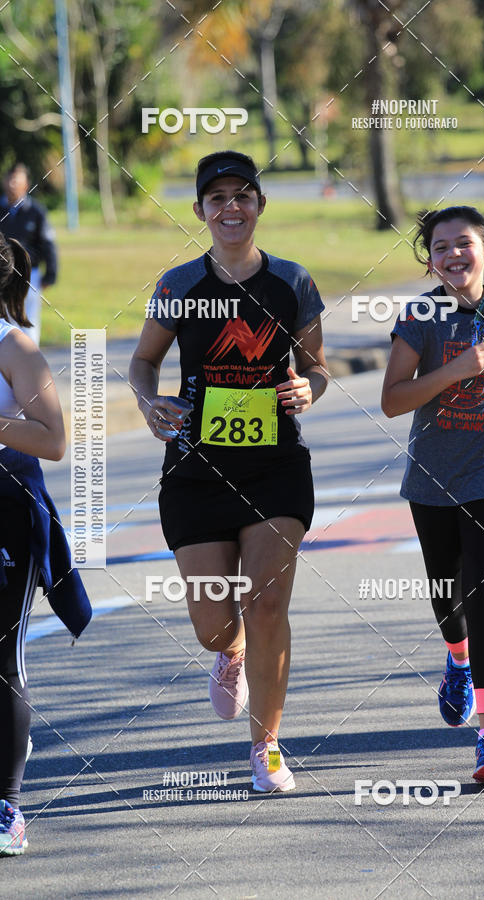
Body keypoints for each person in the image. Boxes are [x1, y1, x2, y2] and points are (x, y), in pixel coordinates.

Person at [129, 151, 328, 792]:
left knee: (269, 602)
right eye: (217, 198)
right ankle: (230, 653)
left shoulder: (292, 282)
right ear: (200, 212)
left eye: (243, 196)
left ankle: (266, 747)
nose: (231, 207)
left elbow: (317, 365)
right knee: (214, 623)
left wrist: (310, 388)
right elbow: (142, 362)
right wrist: (147, 401)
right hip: (195, 468)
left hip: (276, 467)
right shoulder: (179, 285)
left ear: (260, 206)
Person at [381, 206, 484, 783]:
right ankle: (457, 659)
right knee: (447, 592)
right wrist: (454, 371)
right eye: (442, 246)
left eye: (465, 243)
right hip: (432, 477)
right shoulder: (419, 316)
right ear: (431, 260)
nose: (454, 253)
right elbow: (393, 399)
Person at [0, 234, 91, 854]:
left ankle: (7, 805)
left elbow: (55, 439)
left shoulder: (12, 344)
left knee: (1, 661)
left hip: (5, 511)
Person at [0, 164, 58, 345]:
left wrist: (50, 274)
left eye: (16, 180)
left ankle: (30, 364)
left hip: (29, 275)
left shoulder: (36, 212)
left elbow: (48, 243)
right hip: (3, 276)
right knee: (6, 323)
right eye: (9, 180)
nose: (11, 185)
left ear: (26, 184)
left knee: (28, 322)